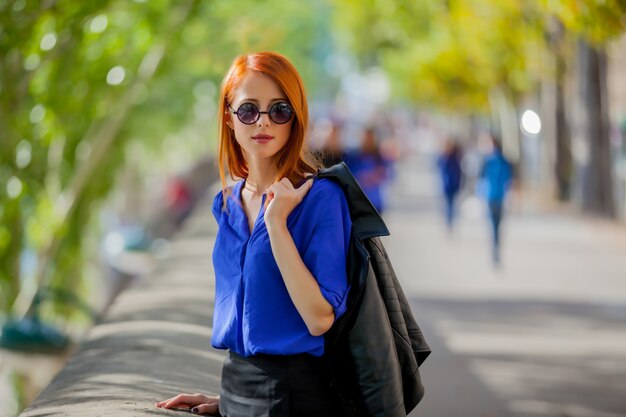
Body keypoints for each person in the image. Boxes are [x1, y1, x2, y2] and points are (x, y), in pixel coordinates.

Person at [155, 52, 351, 416]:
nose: (263, 122)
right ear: (229, 117)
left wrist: (276, 224)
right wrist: (227, 398)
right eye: (248, 110)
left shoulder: (320, 198)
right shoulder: (227, 203)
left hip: (292, 399)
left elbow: (318, 318)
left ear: (296, 117)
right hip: (236, 390)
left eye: (279, 109)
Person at [478, 134, 513, 266]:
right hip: (498, 196)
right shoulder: (504, 161)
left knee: (494, 225)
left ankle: (495, 248)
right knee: (496, 225)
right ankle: (496, 248)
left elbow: (481, 179)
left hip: (492, 196)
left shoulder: (489, 161)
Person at [346, 127, 389, 214]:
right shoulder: (354, 158)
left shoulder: (380, 158)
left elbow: (387, 175)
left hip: (375, 203)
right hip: (358, 203)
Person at [436, 140, 463, 232]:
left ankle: (451, 222)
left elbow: (458, 172)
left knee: (452, 205)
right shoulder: (443, 158)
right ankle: (448, 223)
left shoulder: (455, 158)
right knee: (448, 205)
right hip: (445, 186)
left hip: (453, 185)